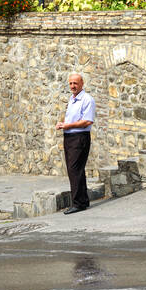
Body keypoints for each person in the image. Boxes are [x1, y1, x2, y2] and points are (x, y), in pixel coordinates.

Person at [54, 72, 94, 214]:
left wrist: (67, 126)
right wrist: (63, 124)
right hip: (70, 138)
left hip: (79, 138)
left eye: (75, 83)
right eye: (70, 83)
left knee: (74, 169)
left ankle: (77, 203)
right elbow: (74, 120)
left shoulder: (87, 99)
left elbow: (87, 121)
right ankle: (82, 201)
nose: (72, 86)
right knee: (76, 169)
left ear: (82, 83)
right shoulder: (72, 99)